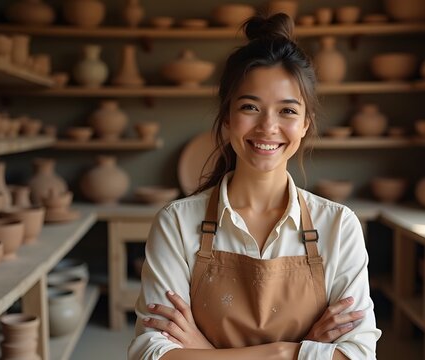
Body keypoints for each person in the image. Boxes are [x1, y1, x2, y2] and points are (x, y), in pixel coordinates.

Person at [128, 14, 381, 360]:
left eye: (287, 111)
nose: (268, 127)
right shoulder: (177, 222)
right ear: (228, 117)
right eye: (250, 107)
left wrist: (203, 351)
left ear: (305, 124)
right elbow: (149, 352)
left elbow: (359, 354)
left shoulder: (338, 226)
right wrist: (297, 350)